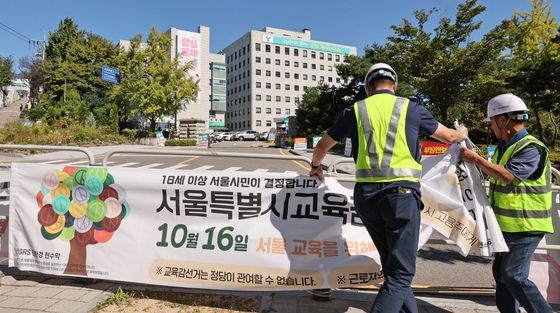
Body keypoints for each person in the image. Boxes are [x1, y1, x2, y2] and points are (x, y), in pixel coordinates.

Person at [309, 63, 466, 313]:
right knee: (402, 273)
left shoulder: (355, 110)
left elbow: (321, 147)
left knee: (393, 267)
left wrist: (316, 167)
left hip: (367, 198)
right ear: (394, 84)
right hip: (401, 196)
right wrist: (461, 133)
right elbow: (448, 137)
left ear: (368, 87)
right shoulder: (411, 108)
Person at [461, 93, 554, 313]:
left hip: (526, 226)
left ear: (502, 120)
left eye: (492, 122)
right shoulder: (507, 146)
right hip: (507, 226)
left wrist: (477, 159)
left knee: (513, 274)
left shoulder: (531, 147)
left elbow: (508, 176)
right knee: (502, 275)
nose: (492, 127)